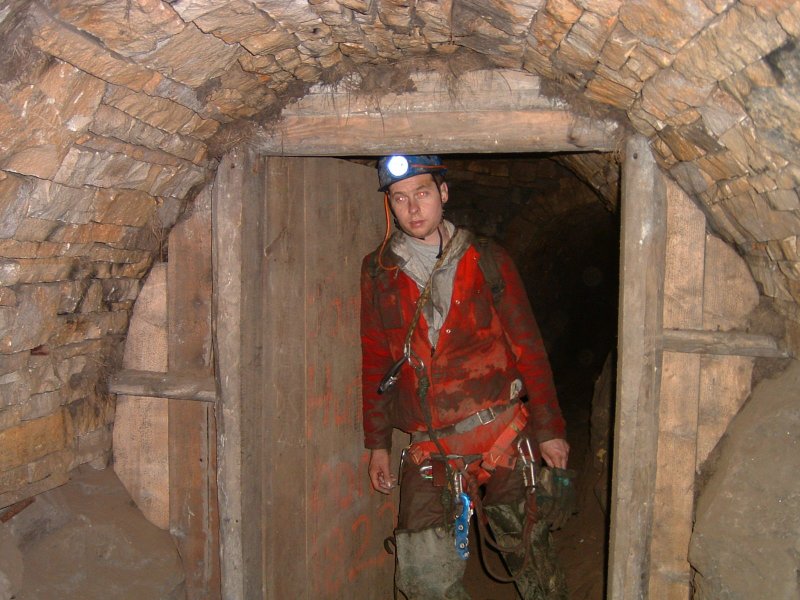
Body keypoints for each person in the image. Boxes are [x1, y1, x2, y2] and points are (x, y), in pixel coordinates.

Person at [360, 155, 571, 599]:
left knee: (532, 560)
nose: (413, 208)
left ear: (444, 194)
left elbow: (528, 347)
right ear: (390, 206)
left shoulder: (487, 258)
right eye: (400, 198)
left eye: (422, 193)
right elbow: (377, 362)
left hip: (502, 435)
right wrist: (377, 444)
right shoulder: (380, 272)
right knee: (424, 578)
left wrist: (550, 428)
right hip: (431, 447)